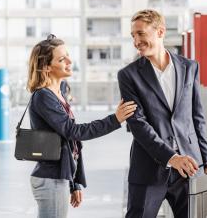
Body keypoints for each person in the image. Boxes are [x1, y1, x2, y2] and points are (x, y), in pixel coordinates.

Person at [27, 34, 137, 218]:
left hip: (59, 177)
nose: (70, 61)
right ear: (46, 67)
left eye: (68, 55)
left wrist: (74, 182)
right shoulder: (43, 97)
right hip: (50, 179)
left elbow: (69, 145)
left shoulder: (60, 91)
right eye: (62, 59)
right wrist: (115, 119)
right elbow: (73, 132)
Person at [117, 9, 207, 218]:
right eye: (133, 35)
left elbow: (197, 116)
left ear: (160, 32)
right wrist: (172, 157)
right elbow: (138, 125)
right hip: (148, 168)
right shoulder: (128, 75)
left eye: (141, 34)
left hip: (189, 166)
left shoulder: (189, 67)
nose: (136, 41)